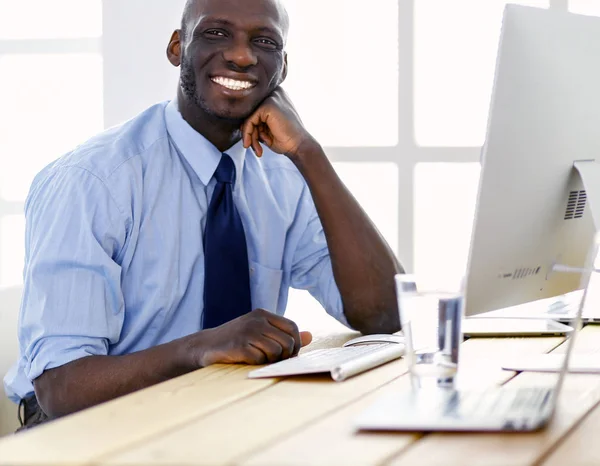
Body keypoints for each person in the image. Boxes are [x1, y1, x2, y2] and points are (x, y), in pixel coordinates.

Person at [4, 0, 403, 431]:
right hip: (85, 430)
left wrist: (309, 153)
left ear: (282, 69)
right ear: (177, 48)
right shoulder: (93, 180)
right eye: (216, 33)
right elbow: (62, 389)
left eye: (264, 42)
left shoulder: (283, 175)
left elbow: (386, 315)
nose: (241, 55)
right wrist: (200, 349)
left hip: (220, 416)